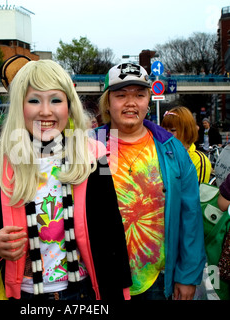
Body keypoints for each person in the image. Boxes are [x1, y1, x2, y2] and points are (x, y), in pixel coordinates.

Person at [0, 59, 132, 301]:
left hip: (82, 293)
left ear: (69, 105)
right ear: (20, 107)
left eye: (55, 100)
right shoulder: (3, 162)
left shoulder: (95, 156)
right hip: (25, 295)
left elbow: (112, 231)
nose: (45, 111)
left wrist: (121, 293)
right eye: (33, 100)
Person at [96, 62, 206, 300]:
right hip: (100, 278)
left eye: (139, 94)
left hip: (157, 280)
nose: (131, 103)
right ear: (107, 102)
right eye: (121, 95)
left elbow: (190, 216)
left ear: (148, 100)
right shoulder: (89, 146)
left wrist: (187, 275)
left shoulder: (171, 149)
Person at [161, 106, 211, 184]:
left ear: (186, 131)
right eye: (164, 130)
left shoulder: (199, 161)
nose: (166, 134)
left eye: (173, 130)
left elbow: (196, 193)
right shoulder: (159, 155)